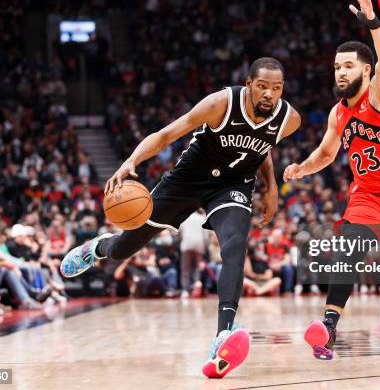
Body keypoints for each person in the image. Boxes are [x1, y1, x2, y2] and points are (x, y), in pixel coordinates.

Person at [60, 57, 301, 378]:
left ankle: (224, 334)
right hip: (187, 180)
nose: (270, 94)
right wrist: (130, 161)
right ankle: (100, 249)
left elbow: (262, 147)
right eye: (262, 87)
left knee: (235, 245)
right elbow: (165, 134)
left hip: (233, 185)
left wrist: (271, 185)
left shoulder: (289, 119)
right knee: (124, 248)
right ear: (248, 86)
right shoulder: (220, 104)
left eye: (276, 88)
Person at [284, 0, 380, 360]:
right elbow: (326, 153)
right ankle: (329, 327)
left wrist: (374, 25)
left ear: (365, 71)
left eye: (348, 65)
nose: (340, 71)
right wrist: (304, 167)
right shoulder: (338, 114)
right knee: (347, 250)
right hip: (367, 198)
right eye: (337, 66)